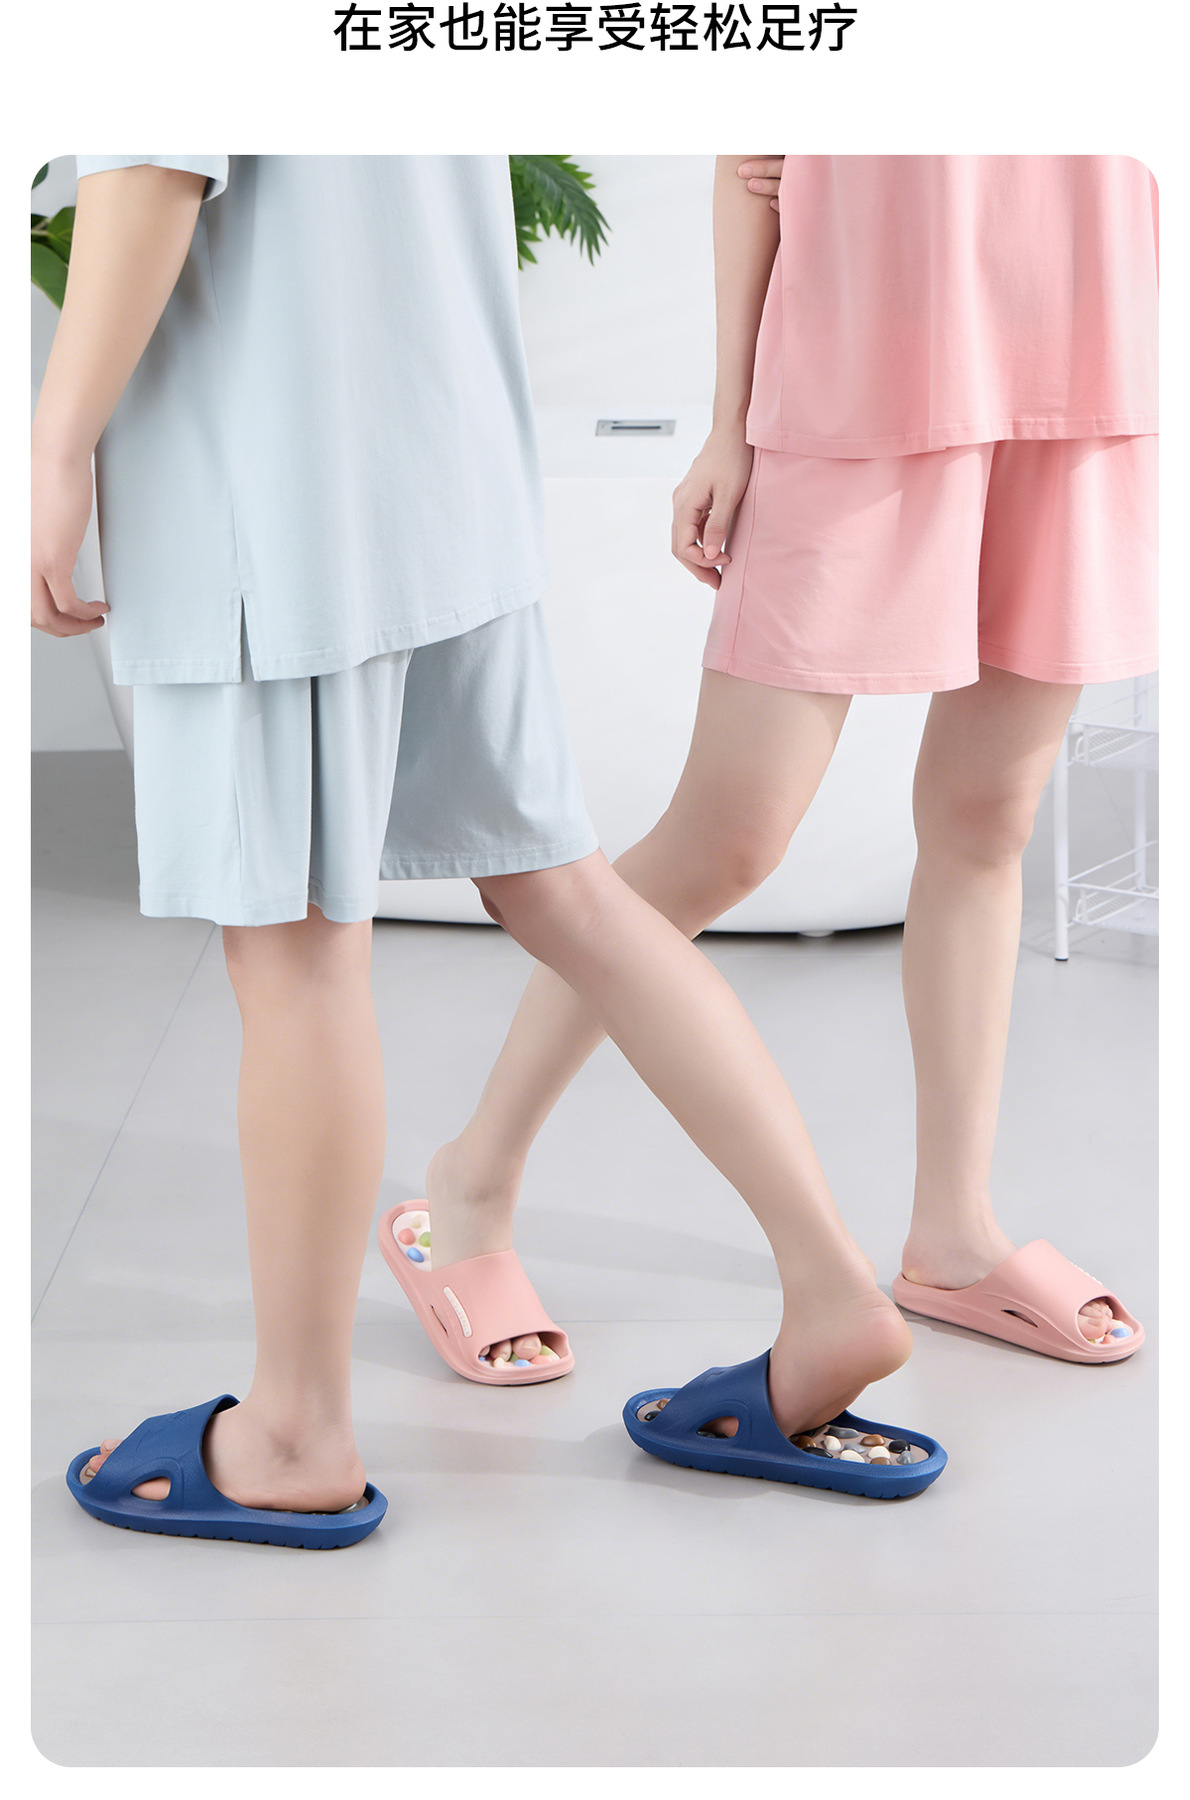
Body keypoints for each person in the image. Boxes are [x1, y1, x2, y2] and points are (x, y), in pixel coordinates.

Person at [33, 156, 938, 1546]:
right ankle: (830, 1290)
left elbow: (154, 168)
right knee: (565, 892)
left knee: (291, 951)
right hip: (447, 461)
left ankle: (292, 1431)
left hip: (273, 481)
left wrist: (56, 444)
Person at [420, 154, 1153, 1377]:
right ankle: (472, 1176)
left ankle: (952, 1233)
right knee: (724, 840)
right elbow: (752, 172)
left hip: (1073, 382)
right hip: (853, 386)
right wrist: (728, 425)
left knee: (987, 819)